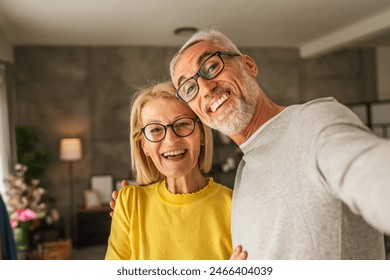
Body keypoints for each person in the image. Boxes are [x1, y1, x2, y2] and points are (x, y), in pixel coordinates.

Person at [168, 29, 390, 259]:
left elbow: (371, 171)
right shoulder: (246, 170)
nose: (205, 88)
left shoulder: (313, 122)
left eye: (212, 67)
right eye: (190, 89)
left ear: (249, 66)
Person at [105, 81, 246, 260]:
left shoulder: (237, 206)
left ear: (202, 134)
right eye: (155, 129)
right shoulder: (130, 203)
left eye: (182, 124)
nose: (171, 140)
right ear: (144, 146)